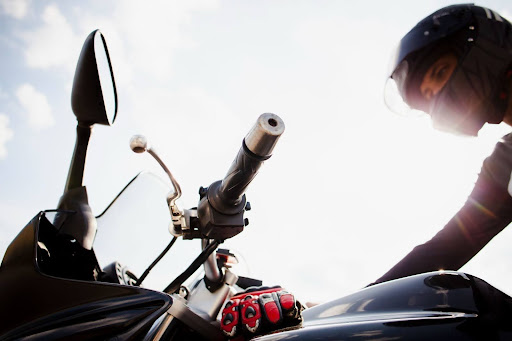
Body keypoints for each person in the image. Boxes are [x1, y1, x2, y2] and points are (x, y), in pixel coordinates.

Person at [375, 3, 512, 284]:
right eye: (429, 98)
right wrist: (339, 310)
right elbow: (445, 248)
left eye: (439, 73)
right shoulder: (505, 166)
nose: (439, 100)